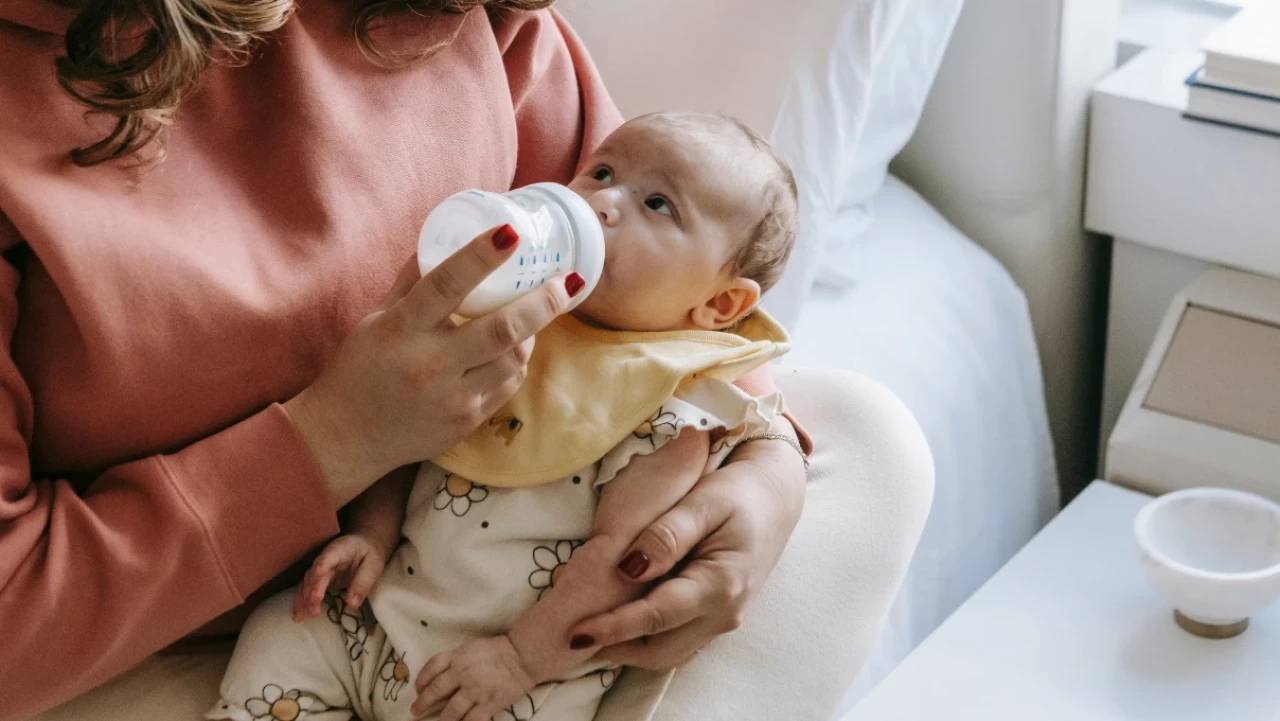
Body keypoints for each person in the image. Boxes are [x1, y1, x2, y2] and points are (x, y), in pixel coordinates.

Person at [0, 2, 933, 720]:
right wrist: (334, 441)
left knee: (869, 442)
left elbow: (667, 285)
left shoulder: (468, 21)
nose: (604, 199)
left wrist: (763, 473)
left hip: (464, 605)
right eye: (608, 185)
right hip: (135, 634)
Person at [210, 110, 800, 721]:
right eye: (601, 173)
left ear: (719, 304)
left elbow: (621, 560)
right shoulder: (505, 315)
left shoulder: (666, 408)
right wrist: (373, 534)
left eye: (658, 204)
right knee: (282, 633)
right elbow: (403, 435)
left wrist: (521, 659)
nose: (603, 203)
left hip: (504, 679)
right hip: (377, 621)